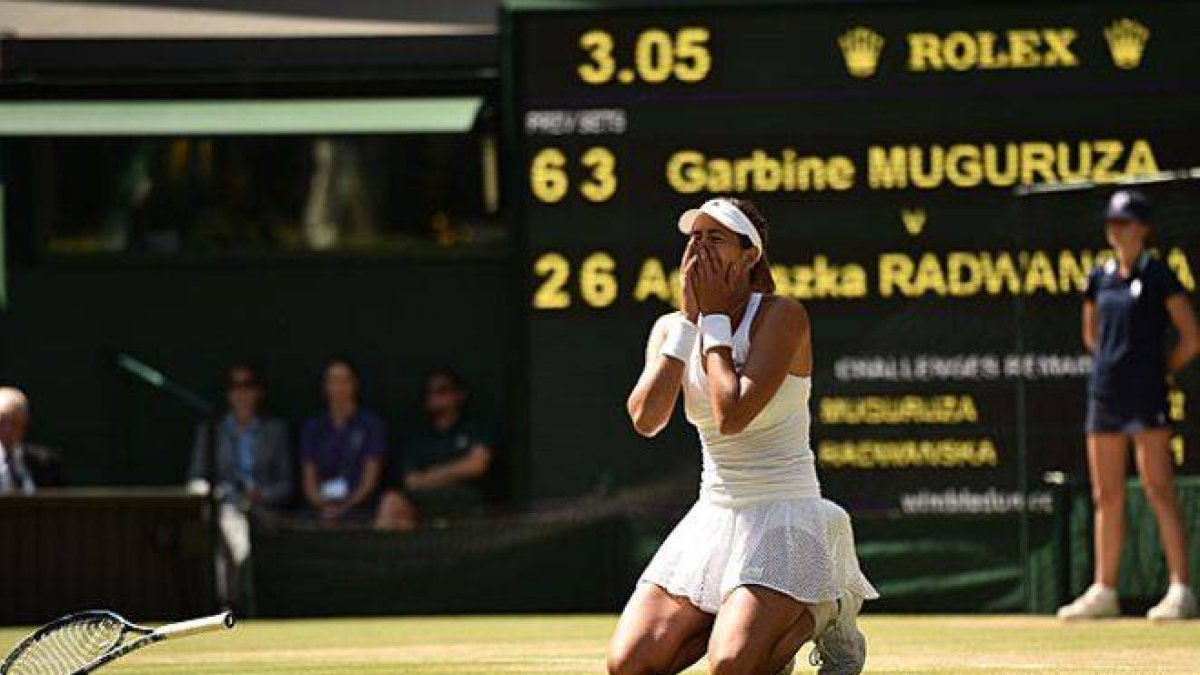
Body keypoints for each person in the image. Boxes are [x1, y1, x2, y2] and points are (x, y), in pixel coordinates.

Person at [608, 197, 877, 675]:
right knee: (628, 664)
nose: (698, 249)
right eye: (694, 239)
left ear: (750, 256)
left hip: (787, 516)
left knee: (731, 666)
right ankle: (749, 621)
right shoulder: (670, 328)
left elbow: (732, 415)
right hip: (713, 517)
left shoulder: (782, 315)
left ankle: (824, 610)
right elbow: (646, 420)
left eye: (715, 239)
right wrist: (689, 323)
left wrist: (712, 319)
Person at [1058, 190, 1200, 621]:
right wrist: (1114, 367)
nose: (1116, 231)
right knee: (1106, 494)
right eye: (1112, 223)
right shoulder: (1098, 277)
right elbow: (1092, 336)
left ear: (1143, 229)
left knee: (1158, 488)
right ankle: (1105, 589)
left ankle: (1180, 588)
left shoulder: (1159, 275)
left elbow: (1191, 338)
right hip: (1105, 395)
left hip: (1147, 396)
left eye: (1124, 223)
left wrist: (1159, 371)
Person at [375, 369, 495, 529]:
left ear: (458, 395)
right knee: (392, 502)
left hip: (464, 496)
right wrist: (455, 471)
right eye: (430, 392)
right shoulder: (419, 436)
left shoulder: (474, 428)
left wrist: (433, 475)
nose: (435, 397)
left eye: (442, 391)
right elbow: (412, 480)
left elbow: (476, 465)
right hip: (426, 497)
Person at [188, 365, 293, 510]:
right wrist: (216, 494)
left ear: (259, 391)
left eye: (247, 386)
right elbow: (196, 477)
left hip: (264, 511)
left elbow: (286, 486)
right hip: (221, 509)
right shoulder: (211, 430)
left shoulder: (276, 431)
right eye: (234, 386)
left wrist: (259, 495)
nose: (241, 393)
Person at [300, 359, 387, 522]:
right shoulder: (314, 428)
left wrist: (346, 506)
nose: (339, 387)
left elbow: (370, 479)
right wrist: (322, 504)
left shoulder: (371, 426)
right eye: (333, 382)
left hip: (361, 508)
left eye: (344, 381)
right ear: (326, 387)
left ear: (354, 385)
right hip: (321, 508)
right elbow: (309, 477)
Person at [0, 387, 63, 494]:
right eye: (2, 422)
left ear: (24, 423)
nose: (8, 429)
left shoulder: (46, 462)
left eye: (15, 422)